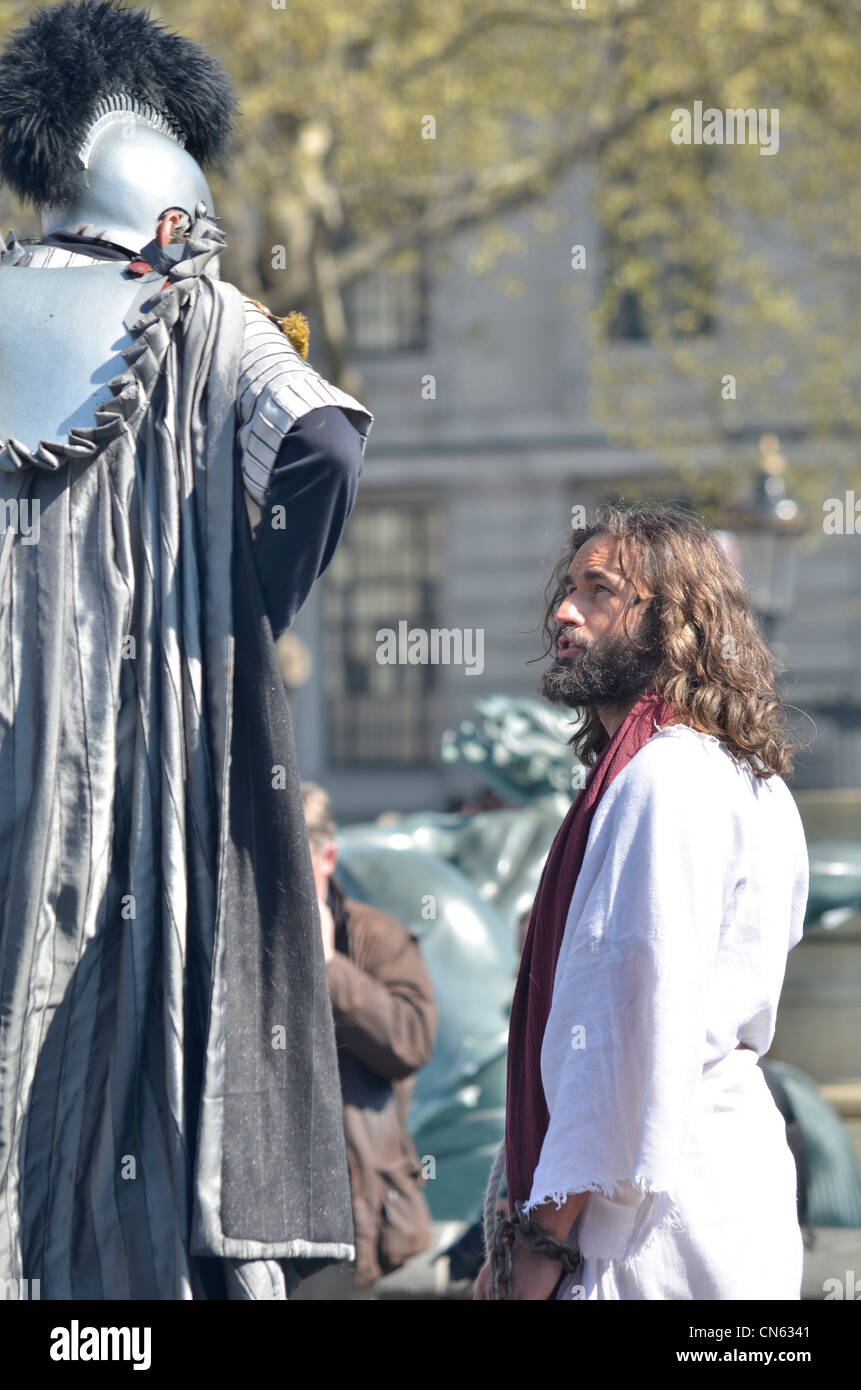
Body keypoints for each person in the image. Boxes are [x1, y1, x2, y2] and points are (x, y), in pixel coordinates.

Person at [0, 0, 373, 1300]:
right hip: (155, 770)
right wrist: (242, 607)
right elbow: (323, 443)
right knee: (147, 1067)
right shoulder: (207, 323)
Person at [475, 501, 810, 1300]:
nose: (564, 610)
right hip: (707, 1201)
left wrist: (533, 1254)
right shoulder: (745, 778)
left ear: (672, 621)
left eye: (598, 590)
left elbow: (619, 1036)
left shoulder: (665, 780)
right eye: (568, 587)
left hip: (648, 1233)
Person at [292, 783, 437, 1298]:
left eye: (293, 856)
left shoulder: (375, 937)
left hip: (353, 1216)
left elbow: (411, 1042)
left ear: (326, 856)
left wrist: (331, 967)